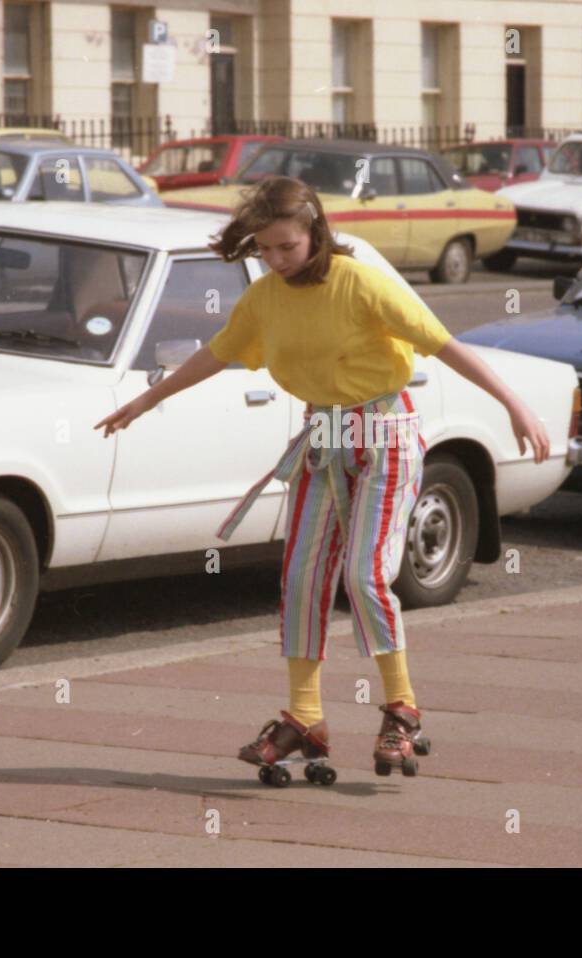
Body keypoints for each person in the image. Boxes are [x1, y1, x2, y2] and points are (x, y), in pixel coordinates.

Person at [94, 175, 551, 780]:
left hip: (384, 434)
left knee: (365, 575)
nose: (276, 260)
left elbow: (440, 344)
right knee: (302, 578)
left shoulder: (359, 282)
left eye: (287, 247)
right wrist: (148, 399)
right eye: (264, 249)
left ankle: (401, 709)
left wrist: (514, 403)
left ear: (315, 234)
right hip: (324, 439)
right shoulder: (265, 299)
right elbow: (219, 351)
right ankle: (304, 716)